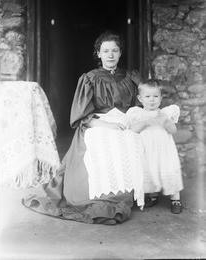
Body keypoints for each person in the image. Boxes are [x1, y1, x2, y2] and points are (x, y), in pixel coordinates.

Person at [22, 31, 143, 224]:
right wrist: (106, 124)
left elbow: (141, 105)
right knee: (103, 141)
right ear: (98, 54)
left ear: (120, 53)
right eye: (105, 51)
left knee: (132, 138)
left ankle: (132, 189)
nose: (110, 55)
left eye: (115, 50)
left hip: (125, 122)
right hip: (96, 123)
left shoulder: (131, 77)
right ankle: (101, 194)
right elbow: (83, 116)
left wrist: (131, 120)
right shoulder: (90, 78)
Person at [126, 79, 184, 214]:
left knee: (168, 171)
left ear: (161, 97)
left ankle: (175, 199)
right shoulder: (138, 114)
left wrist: (165, 121)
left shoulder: (165, 113)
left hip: (164, 151)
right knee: (150, 170)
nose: (152, 100)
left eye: (155, 96)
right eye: (147, 96)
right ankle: (153, 195)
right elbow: (133, 129)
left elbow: (173, 130)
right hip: (147, 150)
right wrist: (146, 122)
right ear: (140, 98)